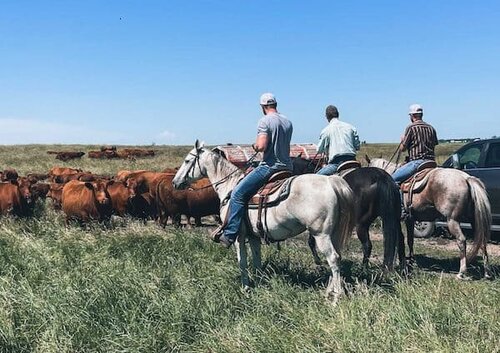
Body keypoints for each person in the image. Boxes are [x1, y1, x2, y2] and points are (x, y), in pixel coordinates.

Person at [214, 93, 293, 248]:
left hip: (270, 166)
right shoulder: (287, 121)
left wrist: (254, 146)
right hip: (288, 166)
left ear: (263, 107)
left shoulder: (264, 121)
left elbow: (262, 146)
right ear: (276, 104)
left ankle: (230, 233)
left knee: (237, 193)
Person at [392, 104, 438, 184]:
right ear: (421, 114)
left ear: (412, 115)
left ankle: (399, 196)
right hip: (431, 162)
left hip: (417, 163)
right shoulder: (431, 128)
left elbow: (403, 149)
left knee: (392, 180)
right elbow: (434, 144)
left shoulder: (411, 127)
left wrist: (402, 141)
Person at [316, 105, 360, 175]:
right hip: (352, 161)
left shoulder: (326, 130)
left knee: (316, 178)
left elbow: (319, 150)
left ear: (327, 117)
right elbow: (357, 146)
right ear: (338, 114)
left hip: (336, 163)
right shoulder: (351, 127)